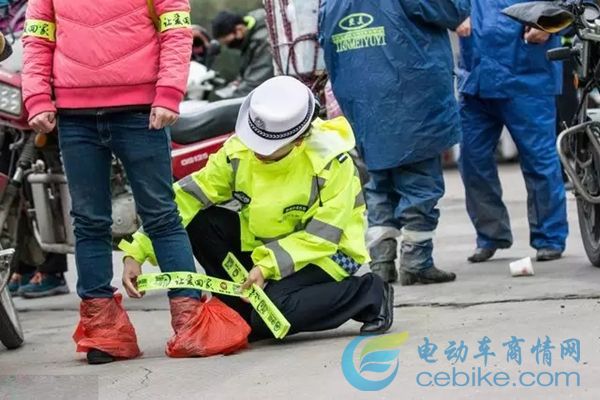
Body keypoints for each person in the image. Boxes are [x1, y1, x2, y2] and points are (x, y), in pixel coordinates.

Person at [121, 76, 394, 340]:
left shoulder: (331, 163)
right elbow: (187, 197)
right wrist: (137, 252)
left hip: (326, 254)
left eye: (268, 147)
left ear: (298, 140)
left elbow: (322, 236)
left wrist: (266, 267)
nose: (257, 151)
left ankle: (369, 293)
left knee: (274, 314)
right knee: (201, 222)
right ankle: (240, 311)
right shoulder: (240, 151)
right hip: (266, 249)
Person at [21, 0, 212, 364]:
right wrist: (37, 97)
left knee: (161, 216)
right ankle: (103, 332)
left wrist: (169, 92)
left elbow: (176, 27)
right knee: (89, 221)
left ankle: (190, 324)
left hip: (142, 111)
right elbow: (37, 38)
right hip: (76, 117)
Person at [319, 1, 470, 285]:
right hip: (411, 95)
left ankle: (381, 262)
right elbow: (452, 10)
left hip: (362, 101)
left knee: (378, 183)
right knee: (420, 183)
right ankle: (416, 261)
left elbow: (325, 43)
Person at [456, 1, 568, 263]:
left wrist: (548, 25)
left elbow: (572, 6)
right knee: (472, 160)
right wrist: (452, 16)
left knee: (539, 161)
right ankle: (490, 234)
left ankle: (549, 237)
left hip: (527, 77)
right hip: (476, 77)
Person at [211, 9, 274, 98]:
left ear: (239, 30)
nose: (229, 46)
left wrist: (226, 100)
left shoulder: (263, 42)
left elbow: (256, 83)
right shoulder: (250, 39)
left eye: (228, 42)